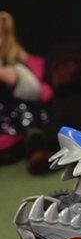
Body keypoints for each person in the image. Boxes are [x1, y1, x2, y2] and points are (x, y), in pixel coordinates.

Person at [0, 11, 50, 166]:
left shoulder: (18, 62)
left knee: (23, 108)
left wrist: (11, 76)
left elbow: (35, 91)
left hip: (24, 118)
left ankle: (36, 148)